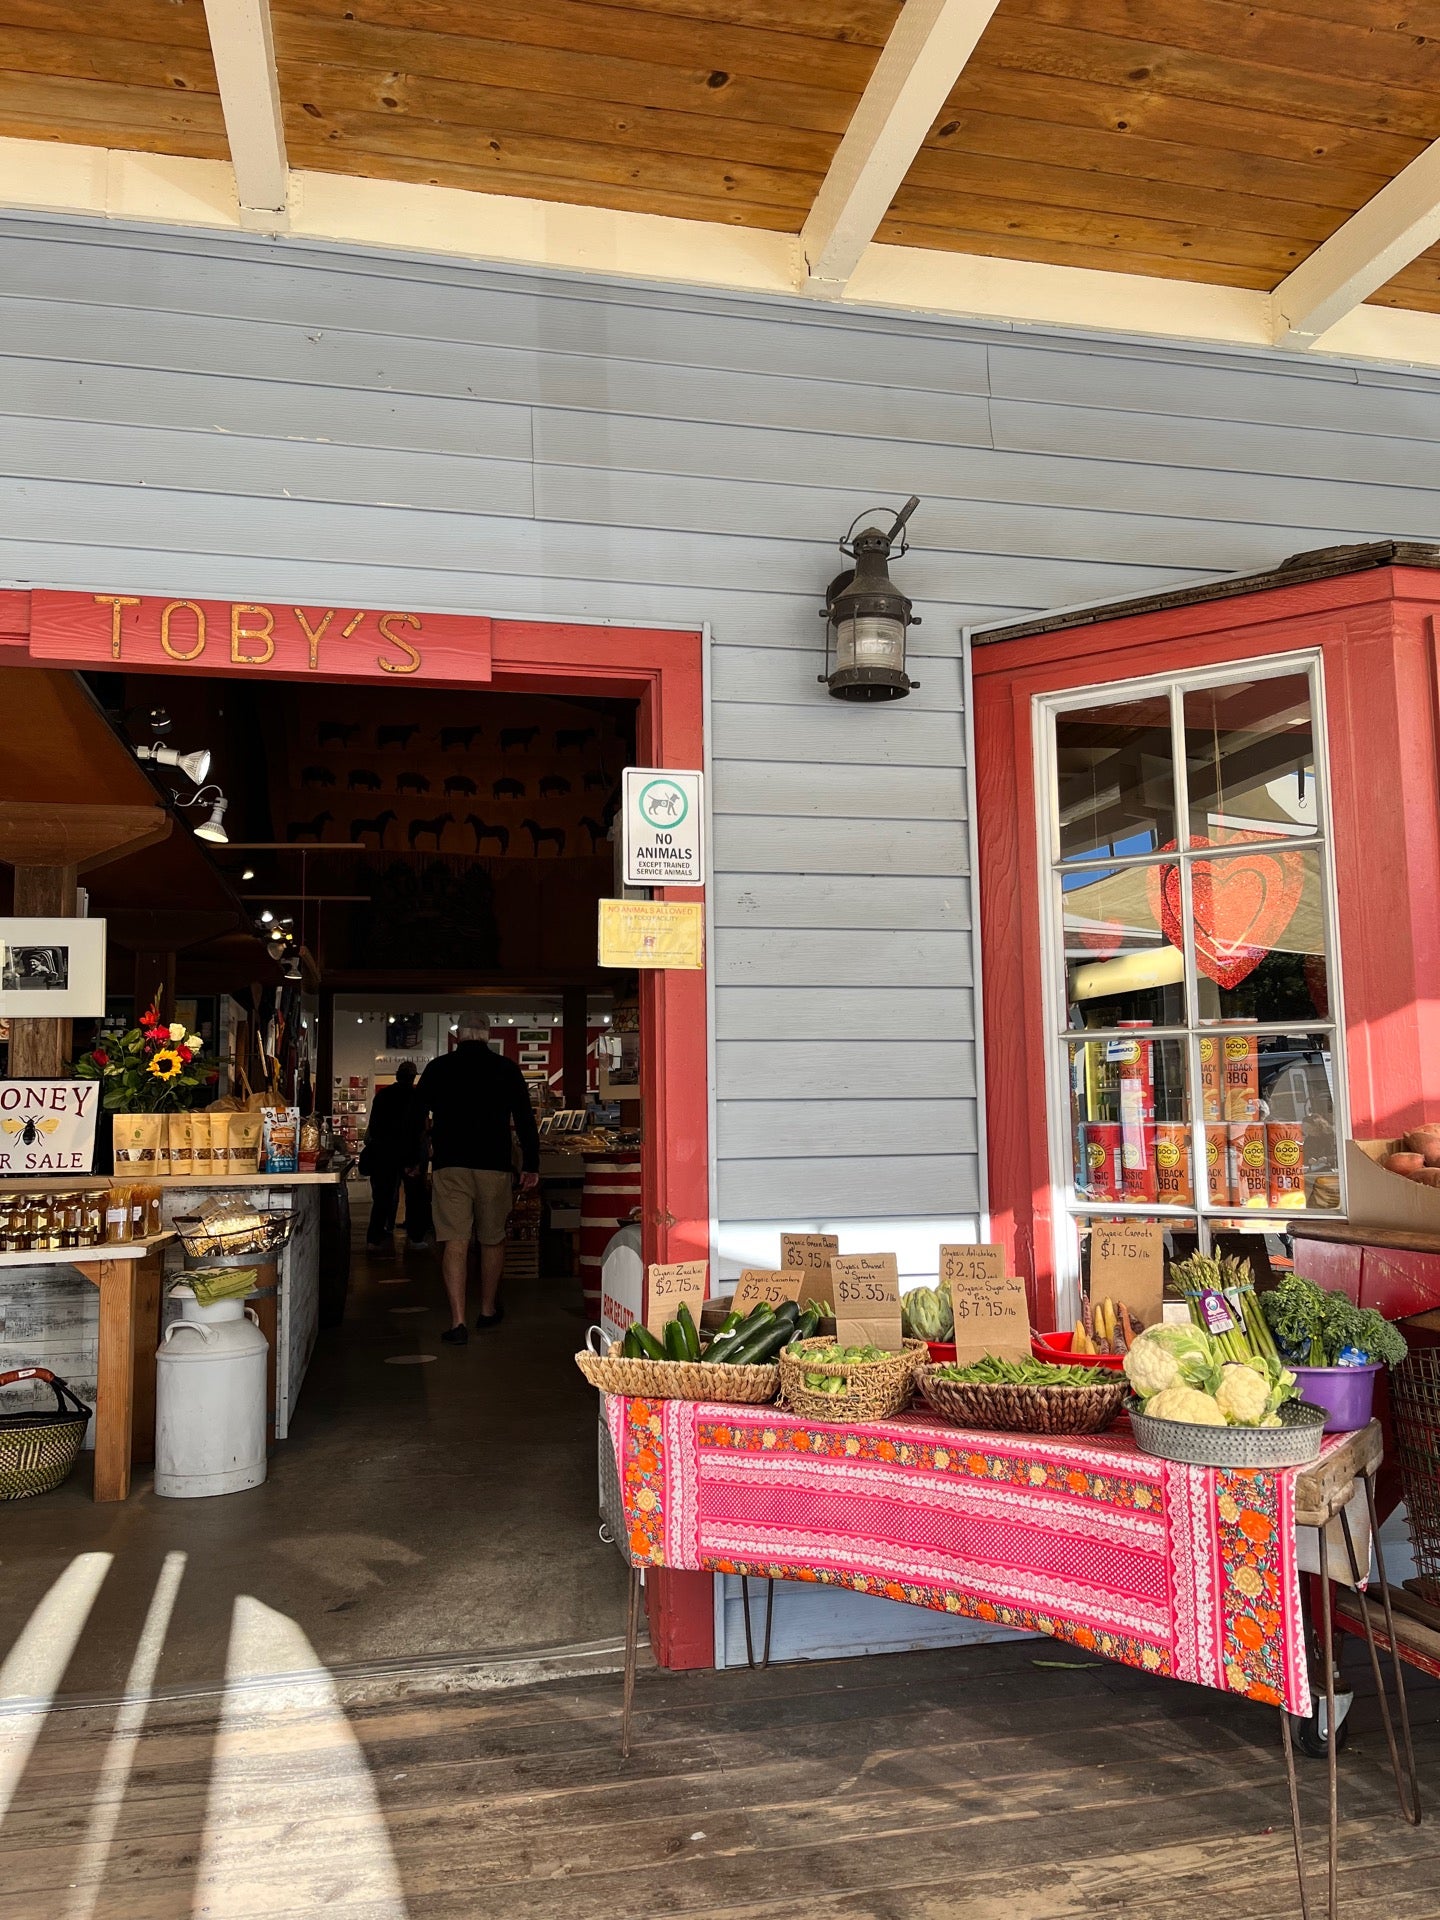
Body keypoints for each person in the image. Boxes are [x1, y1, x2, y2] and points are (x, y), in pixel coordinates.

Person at [416, 1014, 539, 1345]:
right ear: (488, 1036)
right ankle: (486, 1310)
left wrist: (420, 1152)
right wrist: (530, 1164)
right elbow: (525, 1120)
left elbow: (416, 1113)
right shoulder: (507, 1069)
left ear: (457, 1036)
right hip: (494, 1165)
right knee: (491, 1238)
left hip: (449, 1164)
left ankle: (457, 1321)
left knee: (454, 1240)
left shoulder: (439, 1068)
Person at [360, 1059, 431, 1249]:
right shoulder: (416, 1097)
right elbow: (418, 1130)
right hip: (409, 1153)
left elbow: (374, 1125)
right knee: (415, 1196)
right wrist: (416, 1157)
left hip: (384, 1152)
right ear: (413, 1077)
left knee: (382, 1197)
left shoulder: (383, 1096)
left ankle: (374, 1237)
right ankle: (415, 1237)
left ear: (397, 1075)